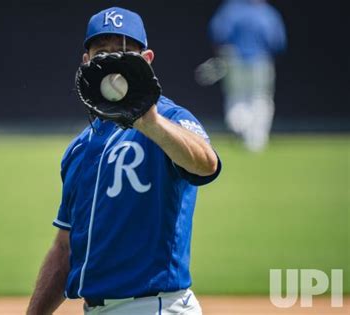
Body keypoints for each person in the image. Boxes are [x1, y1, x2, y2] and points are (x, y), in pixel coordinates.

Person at [27, 7, 221, 315]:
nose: (113, 61)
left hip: (154, 307)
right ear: (86, 62)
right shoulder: (79, 149)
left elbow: (206, 163)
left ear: (147, 61)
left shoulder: (169, 118)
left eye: (124, 52)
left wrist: (151, 124)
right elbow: (65, 248)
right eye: (102, 51)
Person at [208, 0, 286, 152]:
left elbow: (218, 33)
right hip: (260, 60)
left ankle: (240, 126)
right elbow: (278, 42)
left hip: (234, 59)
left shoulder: (231, 9)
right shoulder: (268, 13)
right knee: (260, 98)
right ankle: (255, 139)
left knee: (237, 97)